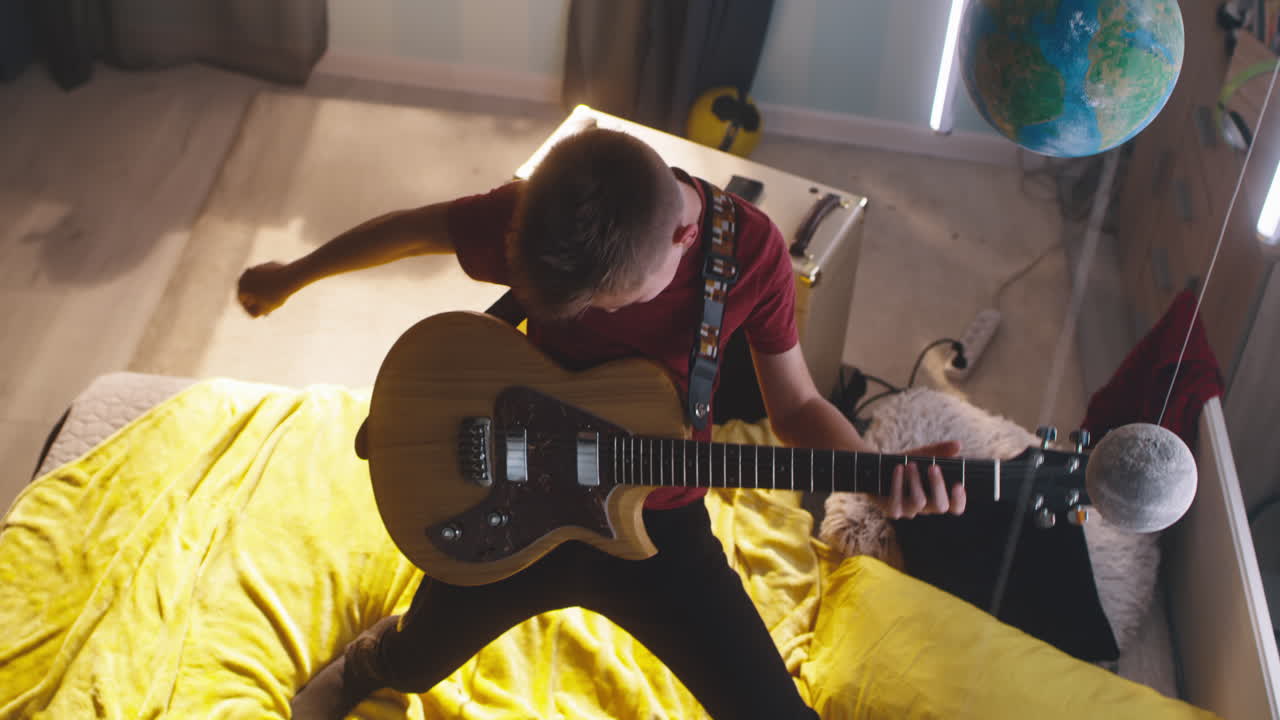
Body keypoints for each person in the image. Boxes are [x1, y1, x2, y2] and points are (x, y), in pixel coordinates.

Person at [237, 128, 966, 719]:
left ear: (683, 242)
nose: (593, 318)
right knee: (418, 662)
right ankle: (375, 657)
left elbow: (799, 407)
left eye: (607, 303)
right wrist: (293, 275)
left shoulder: (750, 255)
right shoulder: (548, 214)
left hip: (660, 529)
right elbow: (410, 231)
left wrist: (875, 474)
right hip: (515, 498)